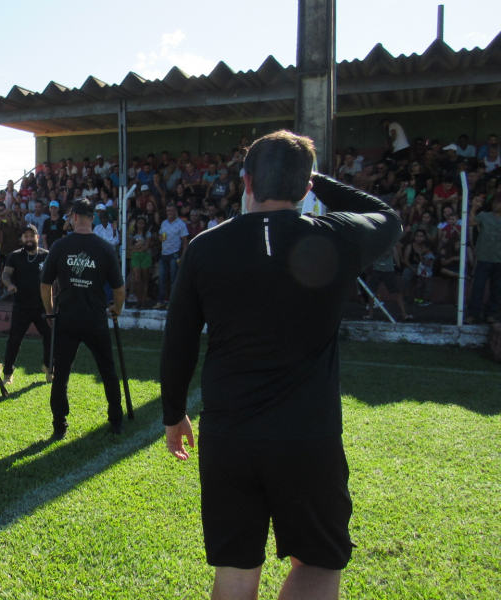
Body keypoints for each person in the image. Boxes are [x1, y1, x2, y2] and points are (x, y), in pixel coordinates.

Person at [161, 130, 401, 600]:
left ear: (246, 181)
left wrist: (174, 414)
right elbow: (388, 217)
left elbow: (179, 342)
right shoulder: (336, 236)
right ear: (305, 187)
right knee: (318, 561)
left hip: (229, 437)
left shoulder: (205, 248)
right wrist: (317, 182)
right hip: (307, 437)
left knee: (235, 566)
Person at [40, 198, 126, 440]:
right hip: (95, 319)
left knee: (61, 375)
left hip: (66, 320)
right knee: (108, 371)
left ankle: (59, 425)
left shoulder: (59, 246)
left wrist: (50, 310)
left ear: (74, 217)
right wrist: (116, 310)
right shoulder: (105, 248)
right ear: (92, 218)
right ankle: (116, 420)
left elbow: (45, 284)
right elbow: (120, 291)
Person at [1, 225, 53, 386]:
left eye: (32, 236)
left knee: (51, 337)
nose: (29, 239)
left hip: (42, 306)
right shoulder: (15, 256)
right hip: (21, 306)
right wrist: (9, 284)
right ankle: (8, 373)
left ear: (37, 238)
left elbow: (55, 279)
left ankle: (49, 367)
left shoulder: (47, 256)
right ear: (22, 239)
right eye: (26, 236)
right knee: (14, 340)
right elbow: (5, 274)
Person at [466, 199, 501, 324]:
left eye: (499, 202)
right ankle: (473, 313)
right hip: (483, 258)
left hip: (499, 259)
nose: (497, 204)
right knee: (478, 287)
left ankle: (491, 314)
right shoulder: (484, 216)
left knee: (497, 288)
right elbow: (470, 222)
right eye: (496, 202)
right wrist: (474, 208)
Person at [154, 204, 189, 310]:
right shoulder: (164, 223)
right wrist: (159, 238)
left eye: (171, 211)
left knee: (174, 279)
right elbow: (160, 237)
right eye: (167, 211)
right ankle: (161, 301)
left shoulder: (181, 224)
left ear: (175, 211)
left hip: (174, 254)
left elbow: (185, 242)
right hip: (164, 254)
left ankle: (172, 302)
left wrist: (183, 256)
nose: (169, 213)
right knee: (162, 279)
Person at [366, 248, 411, 321]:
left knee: (396, 292)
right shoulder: (376, 244)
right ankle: (370, 314)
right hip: (377, 270)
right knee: (371, 292)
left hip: (388, 271)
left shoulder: (389, 243)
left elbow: (388, 253)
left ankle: (404, 314)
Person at [128, 215, 152, 308]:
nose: (141, 225)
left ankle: (143, 302)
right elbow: (130, 246)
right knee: (137, 280)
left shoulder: (148, 233)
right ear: (136, 224)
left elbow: (146, 246)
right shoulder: (132, 234)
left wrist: (136, 248)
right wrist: (139, 248)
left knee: (145, 279)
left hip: (145, 256)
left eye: (142, 223)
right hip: (136, 257)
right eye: (139, 223)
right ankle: (139, 300)